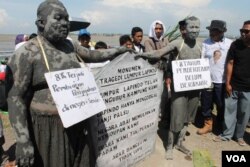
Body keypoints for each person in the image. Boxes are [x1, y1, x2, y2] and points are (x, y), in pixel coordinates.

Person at [7, 1, 131, 167]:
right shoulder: (27, 53)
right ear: (41, 23)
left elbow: (92, 55)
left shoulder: (69, 45)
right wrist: (23, 141)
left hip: (78, 123)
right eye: (58, 18)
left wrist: (118, 51)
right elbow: (15, 98)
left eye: (66, 19)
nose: (65, 23)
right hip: (48, 129)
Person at [136, 16, 202, 159]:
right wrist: (140, 55)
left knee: (188, 119)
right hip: (179, 88)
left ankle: (179, 143)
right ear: (185, 29)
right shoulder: (178, 43)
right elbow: (158, 54)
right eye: (192, 27)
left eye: (197, 27)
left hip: (195, 89)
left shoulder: (200, 45)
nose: (195, 31)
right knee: (176, 118)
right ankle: (169, 146)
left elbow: (202, 67)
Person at [213, 20, 250, 146]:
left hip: (248, 88)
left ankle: (239, 136)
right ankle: (226, 134)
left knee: (244, 114)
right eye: (242, 31)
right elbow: (230, 63)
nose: (243, 33)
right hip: (233, 85)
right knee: (229, 112)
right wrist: (228, 83)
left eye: (246, 31)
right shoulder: (235, 45)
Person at [197, 20, 233, 135]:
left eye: (215, 31)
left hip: (222, 81)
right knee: (206, 103)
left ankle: (220, 124)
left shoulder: (229, 43)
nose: (212, 33)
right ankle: (208, 124)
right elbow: (201, 60)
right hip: (207, 80)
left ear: (222, 32)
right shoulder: (205, 43)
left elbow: (232, 62)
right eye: (211, 30)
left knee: (221, 104)